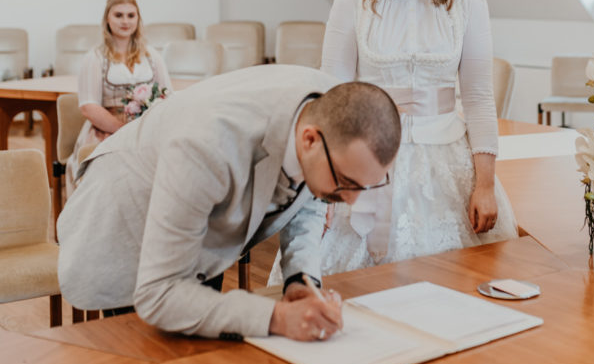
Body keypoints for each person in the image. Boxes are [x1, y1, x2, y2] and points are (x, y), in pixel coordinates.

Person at [57, 66, 401, 341]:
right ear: (309, 139)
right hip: (127, 223)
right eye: (346, 182)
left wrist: (300, 282)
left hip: (207, 223)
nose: (351, 199)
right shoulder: (208, 144)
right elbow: (159, 295)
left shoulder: (330, 112)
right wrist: (277, 317)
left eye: (364, 186)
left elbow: (308, 193)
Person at [305, 0, 516, 274]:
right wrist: (324, 190)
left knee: (458, 283)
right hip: (369, 160)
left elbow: (478, 97)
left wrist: (485, 185)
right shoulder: (352, 3)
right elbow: (328, 99)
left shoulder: (469, 4)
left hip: (448, 161)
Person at [65, 0, 172, 195]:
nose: (125, 21)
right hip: (106, 129)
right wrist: (124, 130)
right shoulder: (95, 58)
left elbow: (168, 96)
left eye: (131, 15)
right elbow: (89, 107)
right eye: (119, 15)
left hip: (148, 128)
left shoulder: (152, 56)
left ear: (138, 19)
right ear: (107, 18)